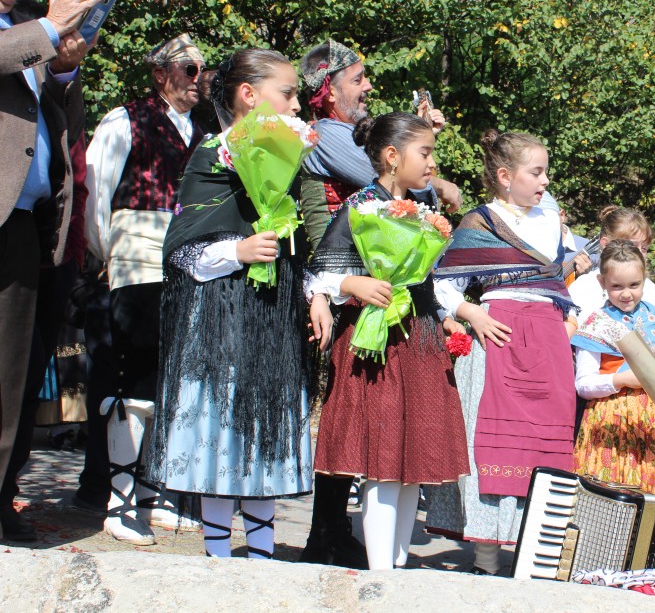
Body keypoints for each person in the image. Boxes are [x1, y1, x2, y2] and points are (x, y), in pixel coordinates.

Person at [143, 49, 314, 560]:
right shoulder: (213, 155)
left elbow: (302, 234)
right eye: (287, 92)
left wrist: (313, 291)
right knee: (221, 432)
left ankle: (262, 555)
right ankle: (219, 557)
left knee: (263, 423)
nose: (298, 103)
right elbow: (183, 248)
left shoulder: (289, 161)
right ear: (249, 95)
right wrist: (237, 251)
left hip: (269, 312)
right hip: (220, 313)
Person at [305, 111, 469, 570]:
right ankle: (381, 572)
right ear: (393, 157)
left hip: (418, 339)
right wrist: (352, 286)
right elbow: (320, 271)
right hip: (376, 345)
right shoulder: (360, 206)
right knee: (381, 457)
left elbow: (428, 279)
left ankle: (398, 567)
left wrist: (448, 315)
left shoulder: (424, 213)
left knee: (412, 456)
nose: (433, 162)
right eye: (426, 152)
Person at [425, 130, 578, 576]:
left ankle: (536, 552)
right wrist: (473, 313)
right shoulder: (479, 223)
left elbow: (560, 280)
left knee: (545, 442)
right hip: (500, 336)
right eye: (537, 172)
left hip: (548, 339)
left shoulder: (552, 222)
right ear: (506, 176)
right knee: (492, 440)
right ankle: (487, 558)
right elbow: (442, 285)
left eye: (546, 171)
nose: (545, 180)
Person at [0, 0, 105, 542]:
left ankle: (3, 493)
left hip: (23, 224)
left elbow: (52, 124)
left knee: (12, 373)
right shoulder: (21, 32)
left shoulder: (21, 31)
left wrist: (62, 67)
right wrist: (45, 30)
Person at [82, 33, 208, 543]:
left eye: (203, 69)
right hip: (135, 255)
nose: (199, 79)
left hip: (186, 264)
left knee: (168, 379)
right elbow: (96, 191)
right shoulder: (124, 119)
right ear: (162, 74)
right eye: (190, 70)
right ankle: (121, 500)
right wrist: (104, 253)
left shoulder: (204, 132)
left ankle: (154, 492)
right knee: (131, 379)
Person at [571, 239, 655, 571]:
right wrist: (620, 380)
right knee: (614, 497)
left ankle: (650, 566)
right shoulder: (595, 324)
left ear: (646, 279)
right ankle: (605, 566)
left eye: (634, 284)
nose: (626, 293)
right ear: (602, 283)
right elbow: (583, 384)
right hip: (610, 422)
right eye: (616, 286)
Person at [299, 39, 460, 251]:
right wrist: (441, 186)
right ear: (330, 92)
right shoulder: (322, 134)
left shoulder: (351, 131)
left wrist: (421, 136)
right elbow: (390, 176)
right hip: (343, 271)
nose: (368, 85)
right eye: (357, 81)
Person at [568, 205, 655, 317]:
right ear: (605, 244)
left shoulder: (653, 291)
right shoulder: (583, 288)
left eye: (644, 248)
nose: (639, 254)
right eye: (632, 246)